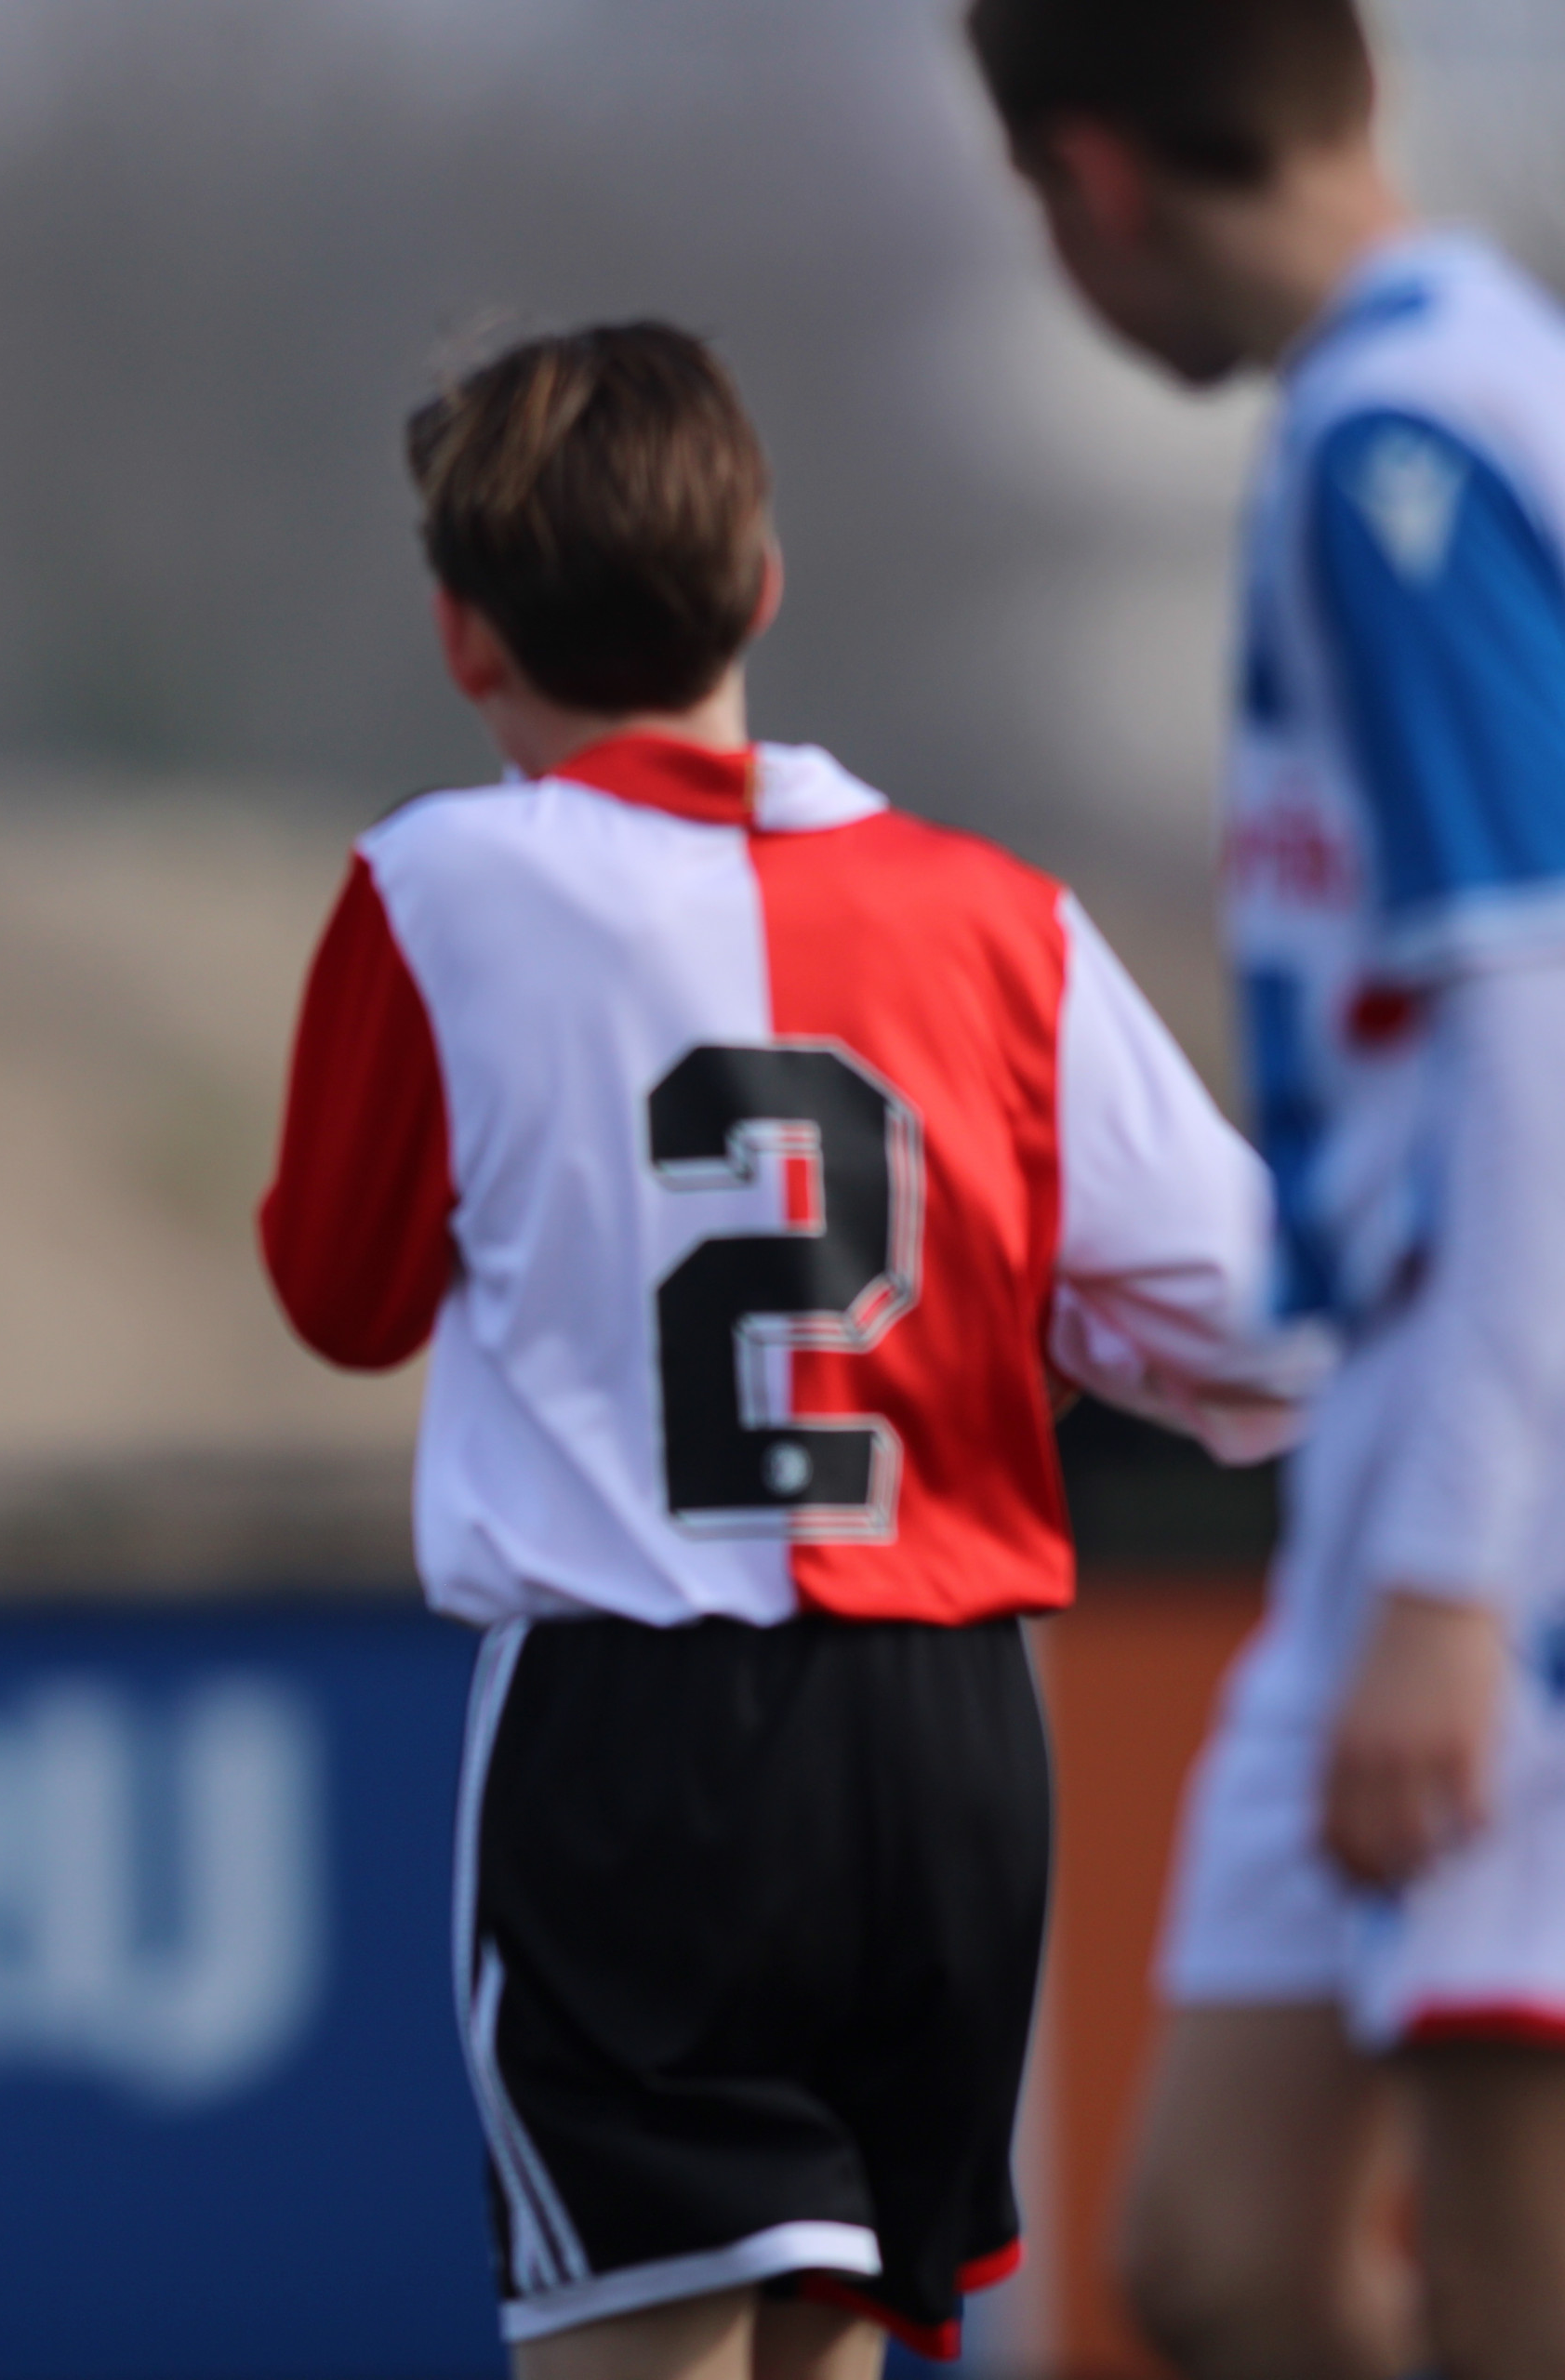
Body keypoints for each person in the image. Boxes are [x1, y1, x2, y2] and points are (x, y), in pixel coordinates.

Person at [261, 323, 1313, 2380]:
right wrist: (1025, 1343)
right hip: (949, 1732)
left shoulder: (441, 884)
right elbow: (1263, 1317)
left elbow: (343, 1295)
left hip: (634, 1723)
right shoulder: (994, 911)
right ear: (759, 583)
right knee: (825, 2331)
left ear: (464, 633)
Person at [968, 5, 1565, 2373]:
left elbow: (1531, 1029)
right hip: (1400, 1492)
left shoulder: (1406, 441)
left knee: (1513, 2273)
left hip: (1498, 1510)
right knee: (1220, 2249)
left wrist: (1447, 1573)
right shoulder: (1421, 393)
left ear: (1095, 183)